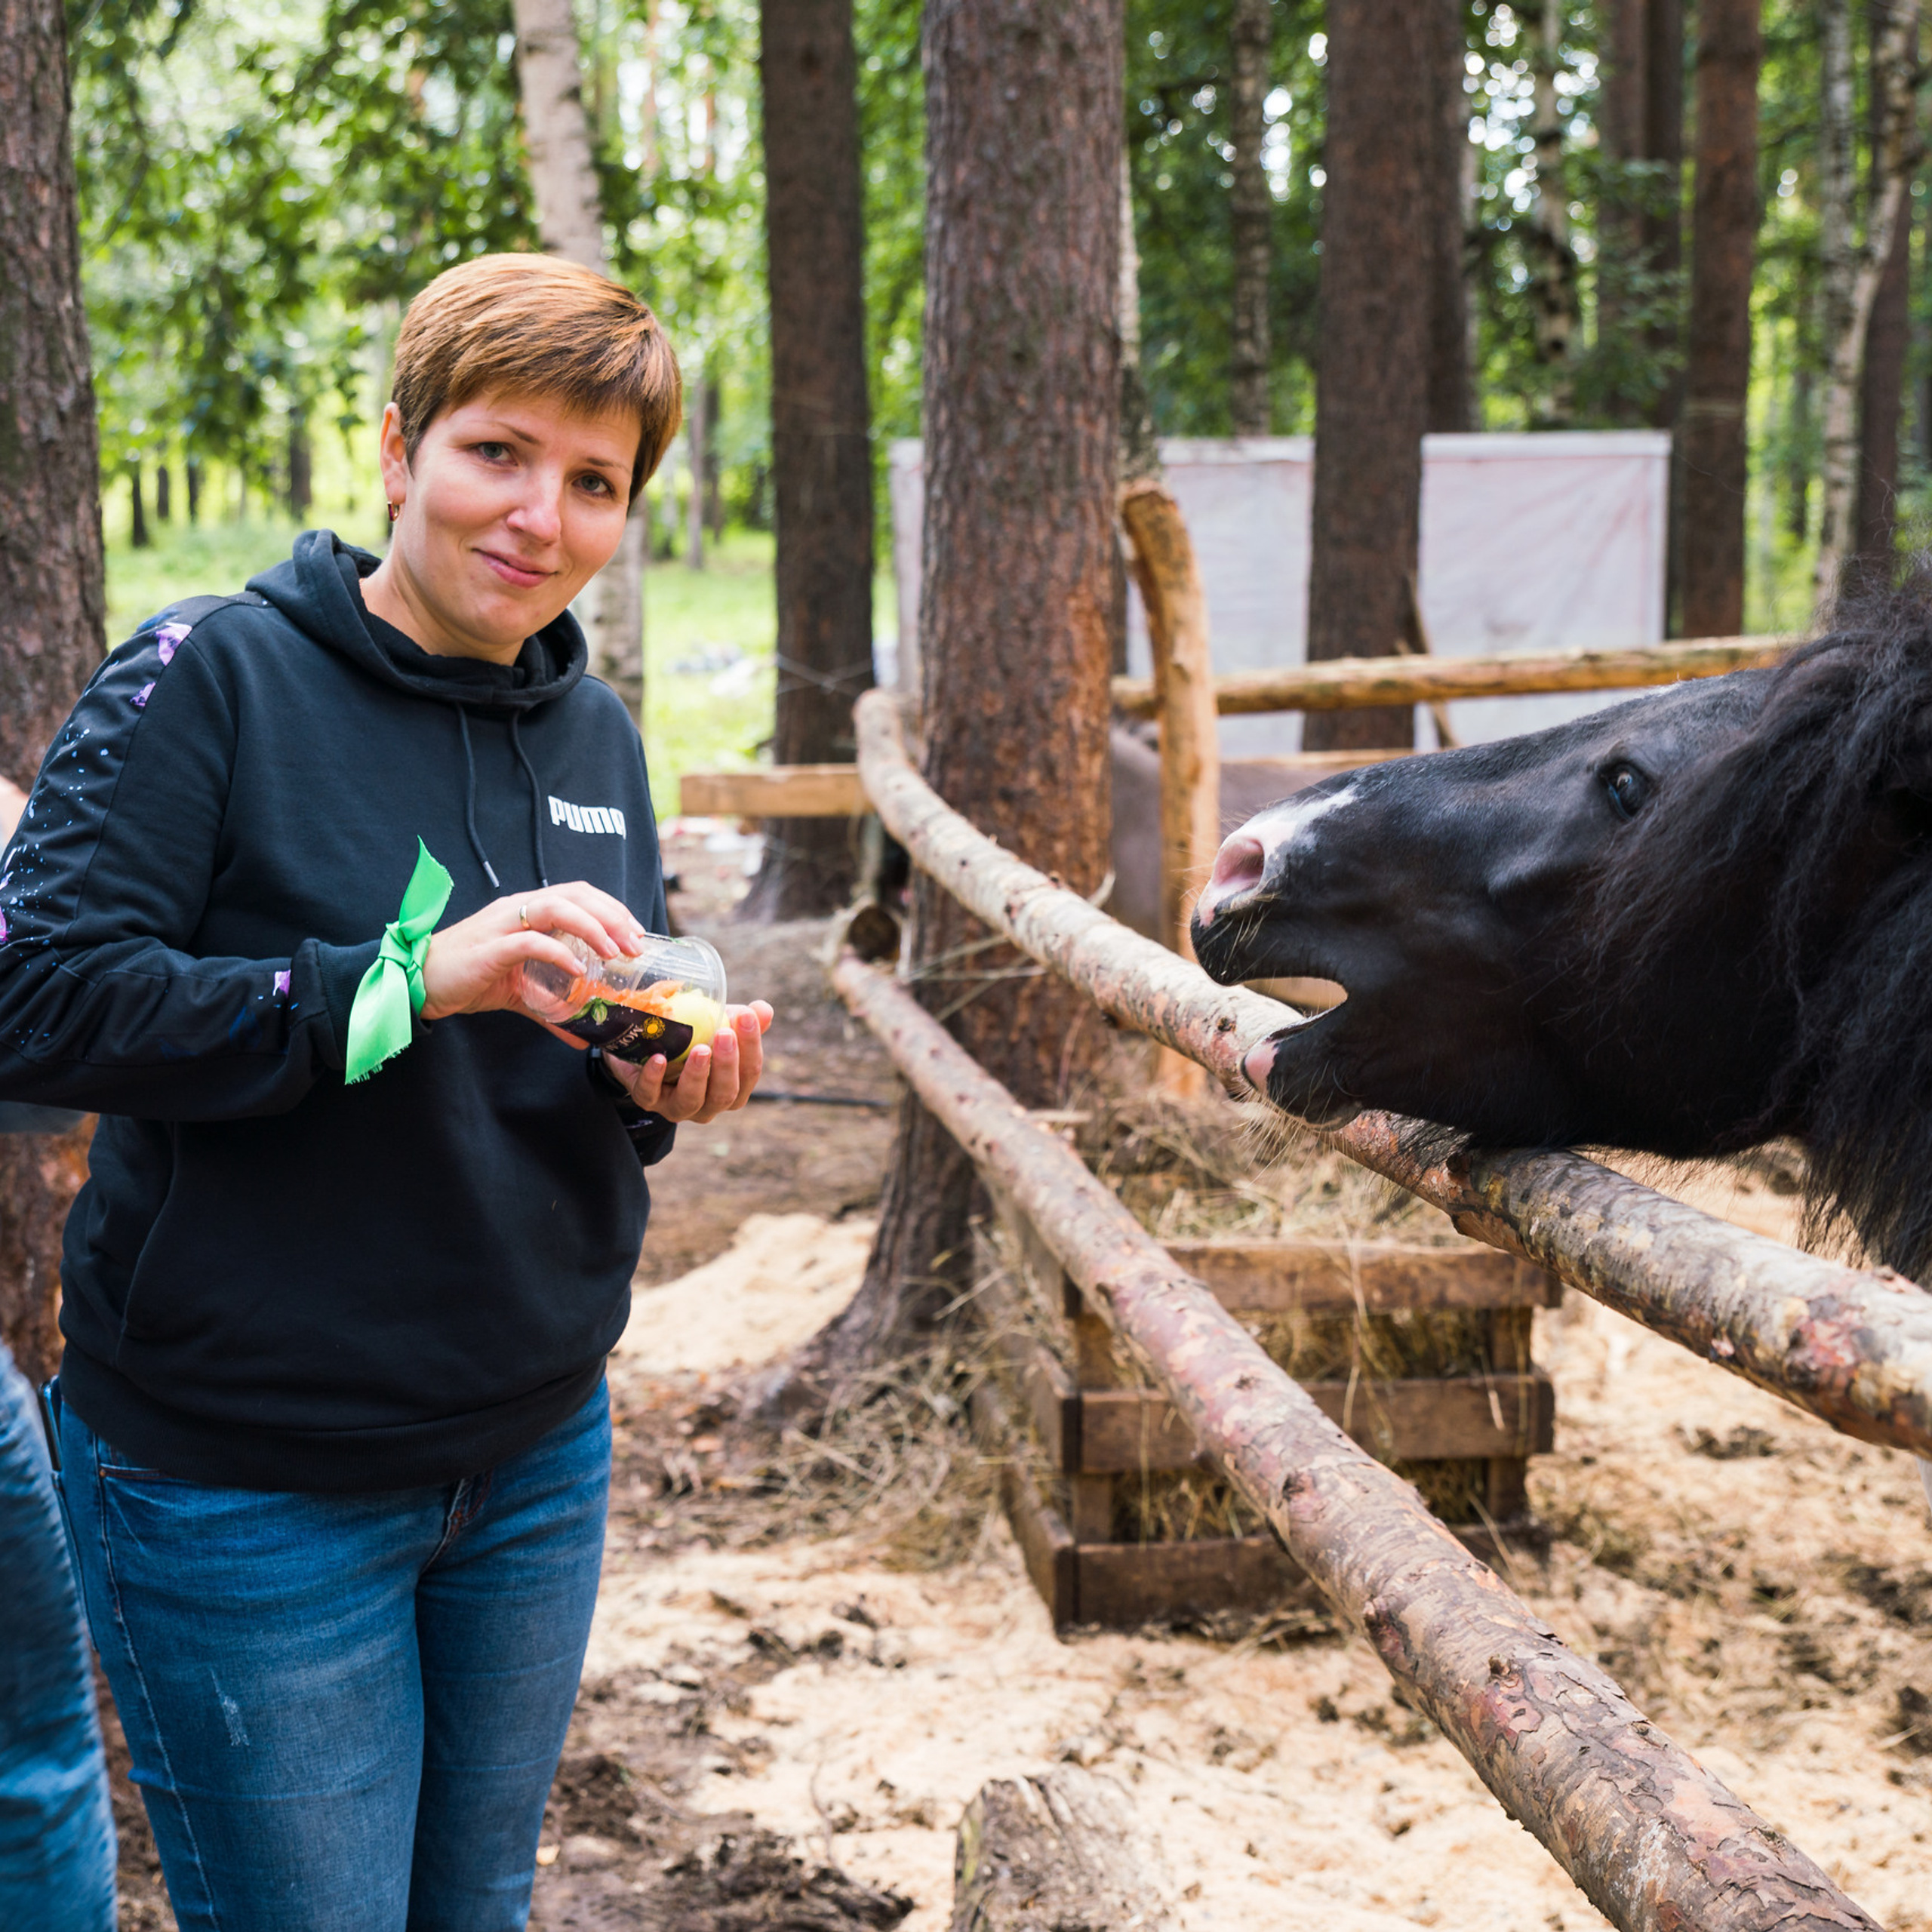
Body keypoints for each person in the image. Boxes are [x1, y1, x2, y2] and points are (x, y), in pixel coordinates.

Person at [0, 253, 771, 1931]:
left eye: (594, 483)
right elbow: (37, 1002)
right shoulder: (212, 677)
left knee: (474, 1906)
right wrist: (407, 977)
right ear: (396, 447)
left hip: (534, 1450)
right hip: (245, 1481)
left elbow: (556, 1057)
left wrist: (656, 1075)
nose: (539, 517)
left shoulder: (597, 738)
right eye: (497, 452)